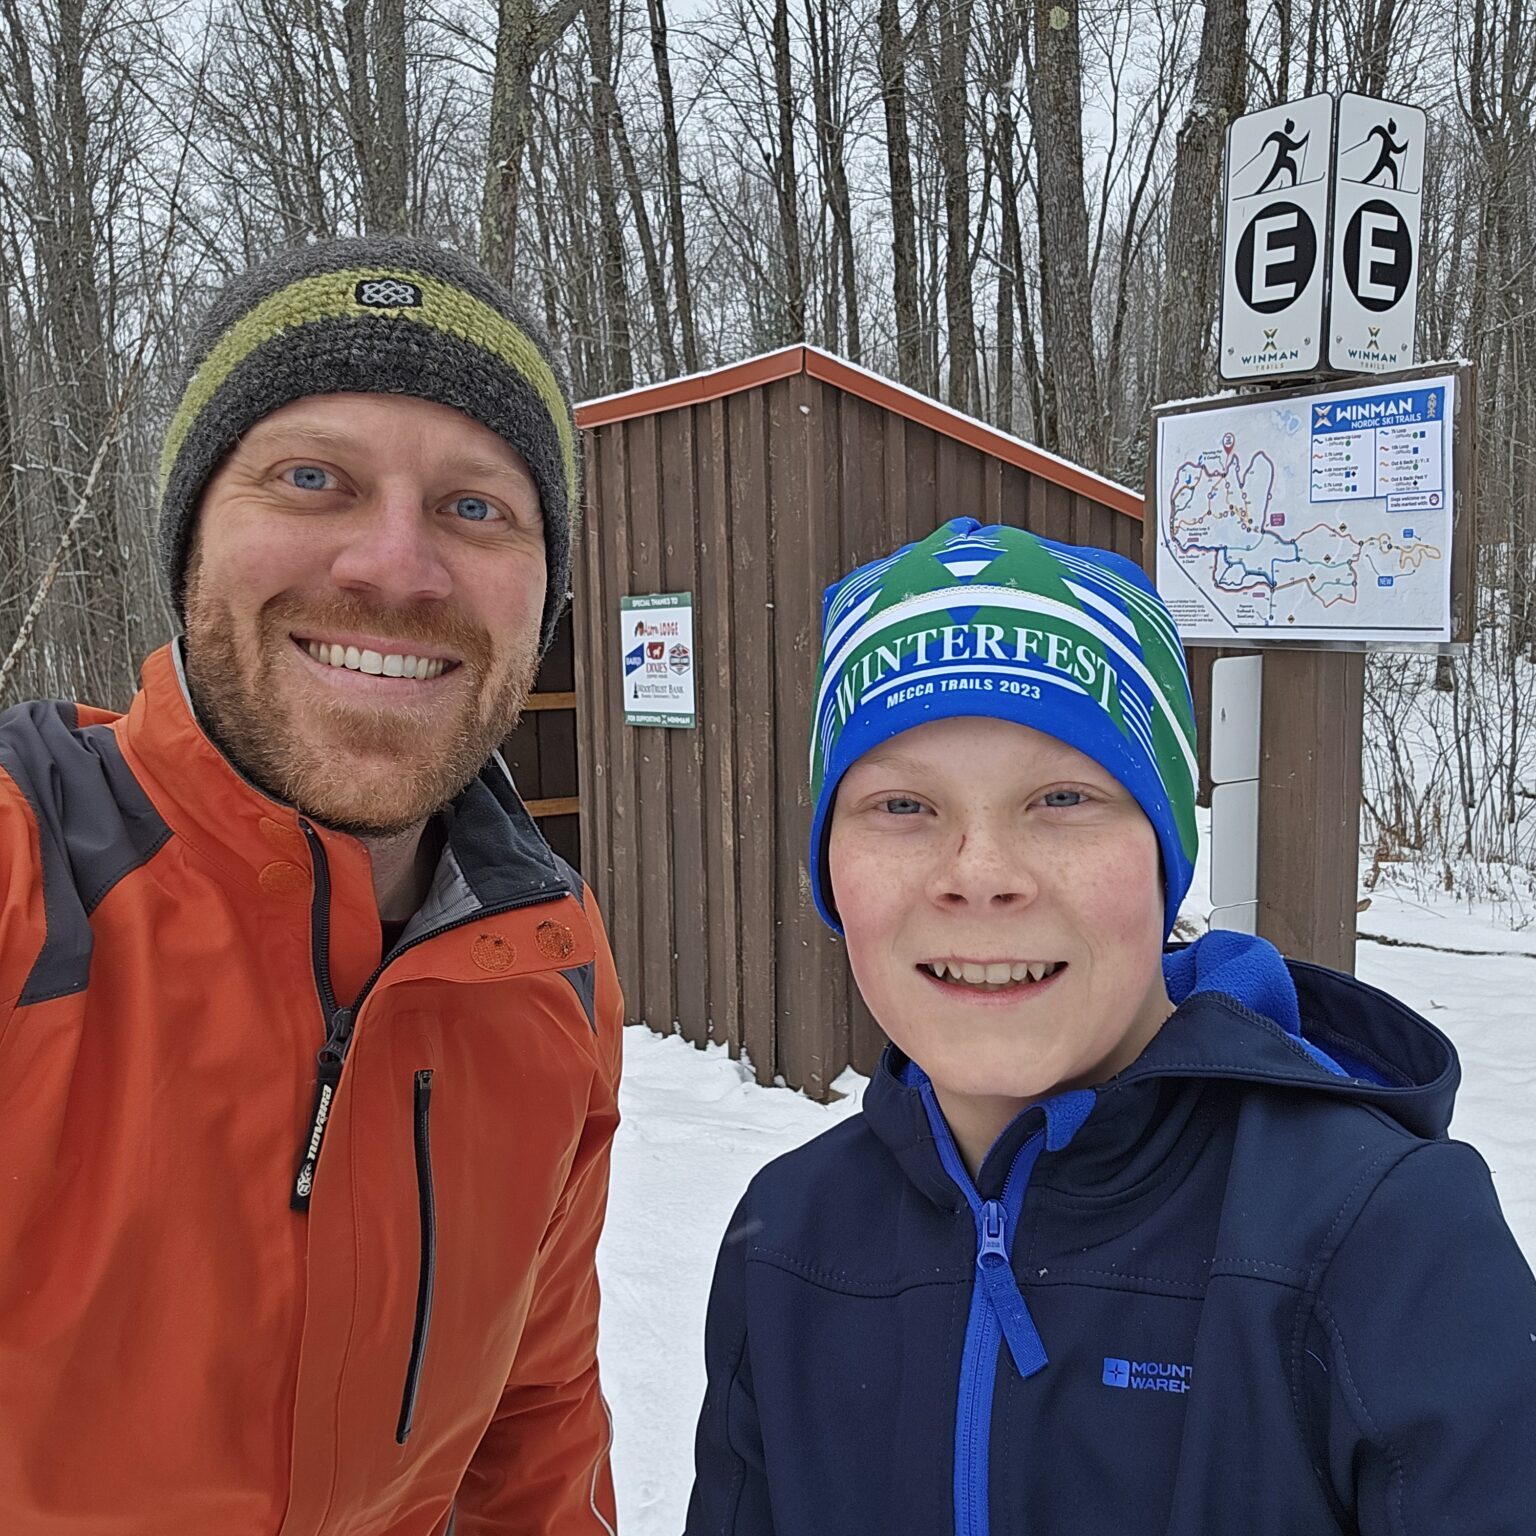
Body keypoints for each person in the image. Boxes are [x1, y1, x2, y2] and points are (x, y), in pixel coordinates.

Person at [685, 517, 1536, 1535]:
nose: (980, 875)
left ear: (1162, 856)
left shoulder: (1385, 1238)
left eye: (1062, 797)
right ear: (830, 870)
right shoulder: (789, 1243)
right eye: (903, 807)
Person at [0, 238, 623, 1533]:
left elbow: (536, 1418)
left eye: (476, 506)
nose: (394, 567)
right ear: (186, 548)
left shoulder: (551, 964)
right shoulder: (27, 866)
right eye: (310, 479)